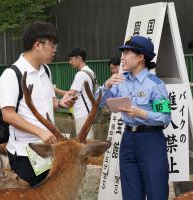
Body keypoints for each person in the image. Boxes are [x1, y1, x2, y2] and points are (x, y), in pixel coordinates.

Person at [0, 21, 74, 187]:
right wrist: (40, 132)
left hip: (48, 149)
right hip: (25, 152)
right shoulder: (11, 74)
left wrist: (61, 103)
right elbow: (8, 114)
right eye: (52, 44)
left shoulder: (46, 70)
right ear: (38, 45)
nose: (55, 49)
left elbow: (49, 103)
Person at [99, 35, 171, 200]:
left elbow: (165, 117)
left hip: (151, 140)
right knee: (130, 192)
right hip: (128, 140)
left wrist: (141, 113)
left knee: (156, 191)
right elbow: (102, 104)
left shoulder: (155, 85)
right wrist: (107, 85)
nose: (122, 57)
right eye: (122, 52)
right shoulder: (120, 81)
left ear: (140, 57)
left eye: (127, 52)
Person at [54, 48, 97, 139]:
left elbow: (70, 94)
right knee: (88, 141)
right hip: (89, 111)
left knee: (83, 143)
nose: (70, 62)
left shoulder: (80, 74)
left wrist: (55, 89)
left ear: (79, 58)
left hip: (83, 113)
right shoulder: (90, 72)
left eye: (71, 59)